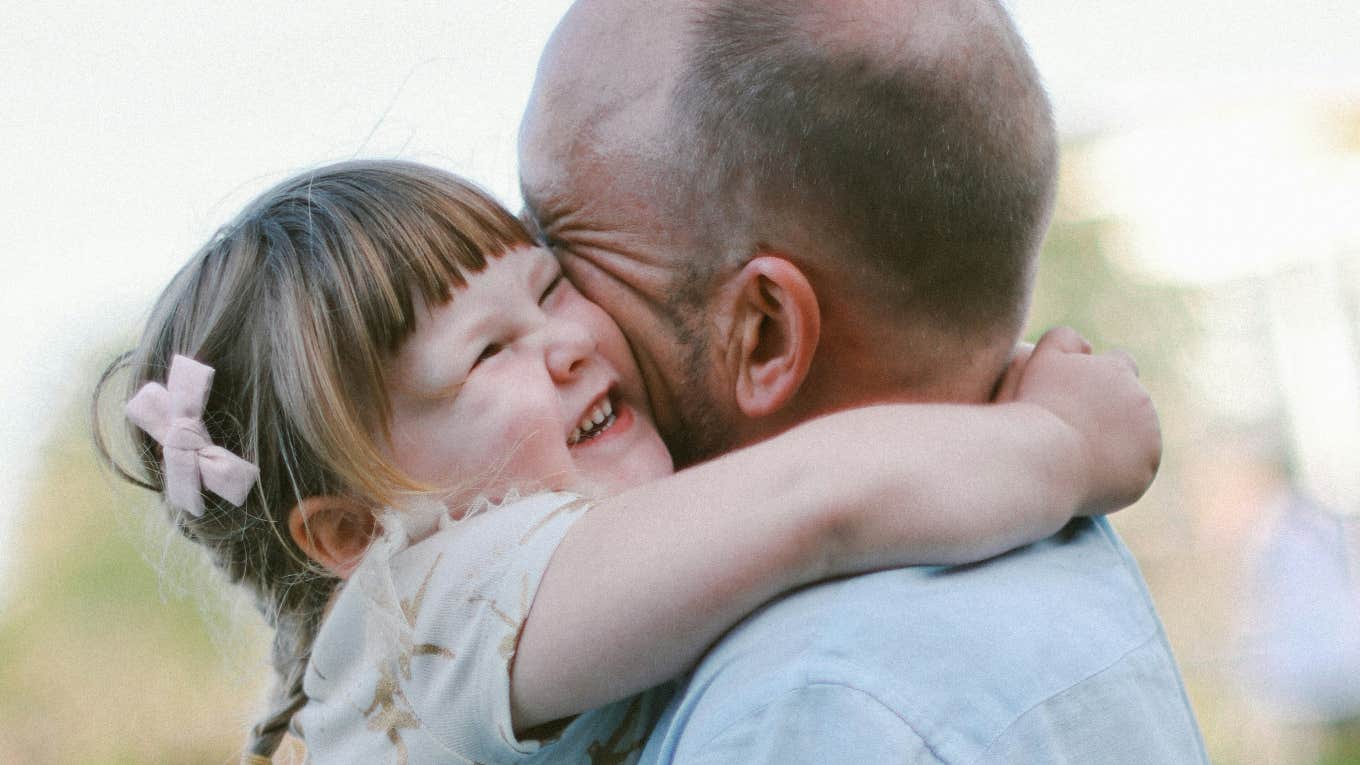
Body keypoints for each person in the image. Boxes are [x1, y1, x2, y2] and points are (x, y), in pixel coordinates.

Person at [94, 161, 1159, 763]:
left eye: (548, 288)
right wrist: (1057, 446)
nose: (564, 343)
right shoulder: (428, 598)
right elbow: (812, 501)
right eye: (486, 354)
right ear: (353, 530)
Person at [518, 0, 1210, 761]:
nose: (548, 329)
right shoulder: (1056, 544)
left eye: (559, 248)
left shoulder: (807, 711)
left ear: (764, 335)